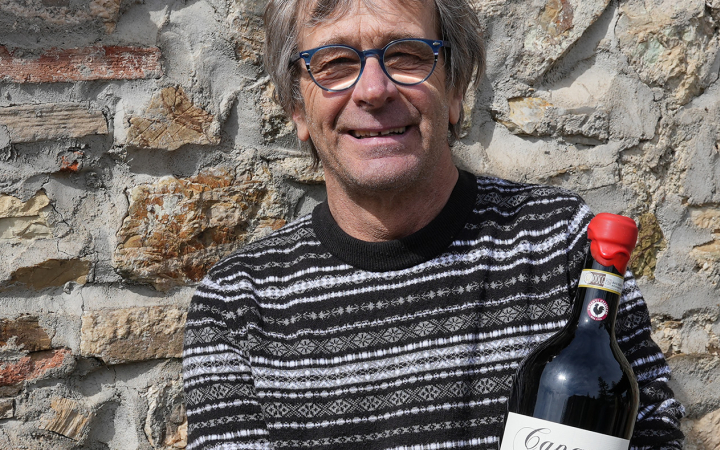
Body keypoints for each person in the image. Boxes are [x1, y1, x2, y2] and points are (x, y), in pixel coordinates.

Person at [182, 0, 685, 448]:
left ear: (456, 87)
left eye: (406, 55)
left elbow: (651, 434)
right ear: (297, 107)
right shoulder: (237, 307)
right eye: (335, 63)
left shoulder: (564, 246)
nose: (373, 90)